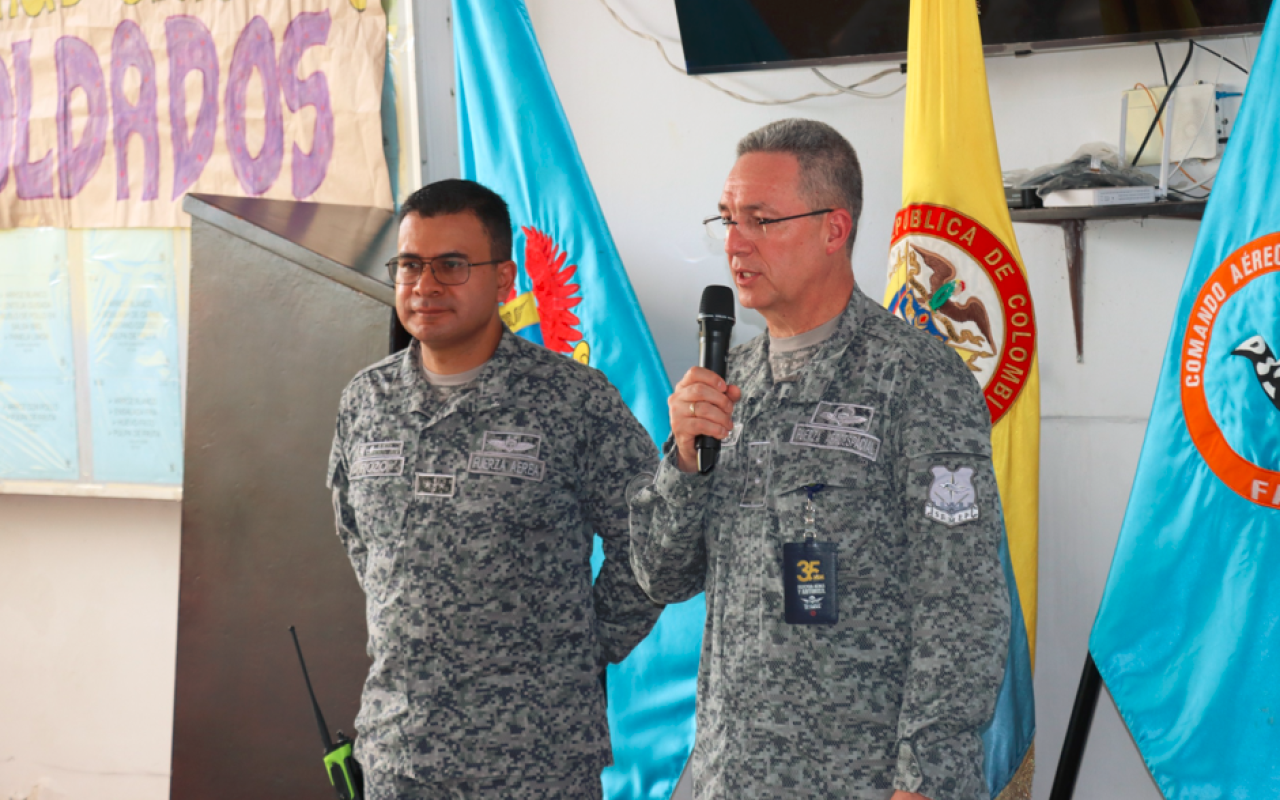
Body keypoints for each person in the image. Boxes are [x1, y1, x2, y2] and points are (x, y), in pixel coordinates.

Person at [629, 119, 1010, 800]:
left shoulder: (916, 378)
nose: (736, 244)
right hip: (733, 772)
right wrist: (684, 464)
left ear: (834, 230)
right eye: (727, 220)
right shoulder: (726, 380)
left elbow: (962, 601)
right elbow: (661, 575)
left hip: (860, 779)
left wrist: (924, 778)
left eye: (761, 220)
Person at [328, 179, 663, 799]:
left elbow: (654, 540)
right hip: (401, 756)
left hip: (537, 760)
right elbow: (363, 545)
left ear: (506, 278)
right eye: (409, 265)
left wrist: (584, 645)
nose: (424, 286)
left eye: (451, 266)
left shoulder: (572, 401)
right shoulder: (365, 402)